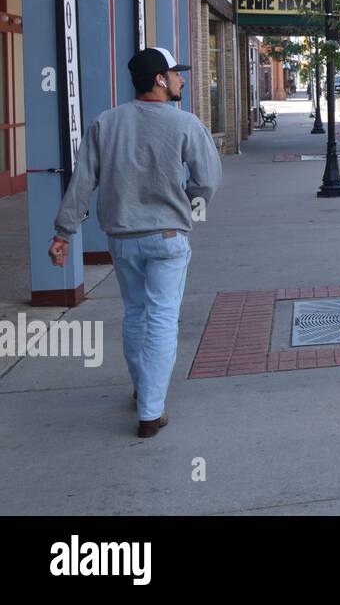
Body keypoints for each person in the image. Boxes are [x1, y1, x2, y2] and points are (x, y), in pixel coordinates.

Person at [49, 47, 221, 439]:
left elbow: (83, 182)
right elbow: (208, 179)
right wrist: (191, 212)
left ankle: (144, 388)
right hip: (166, 238)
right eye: (176, 73)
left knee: (136, 314)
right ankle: (151, 410)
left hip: (123, 240)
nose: (182, 79)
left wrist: (64, 232)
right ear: (159, 80)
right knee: (162, 319)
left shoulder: (105, 123)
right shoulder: (185, 124)